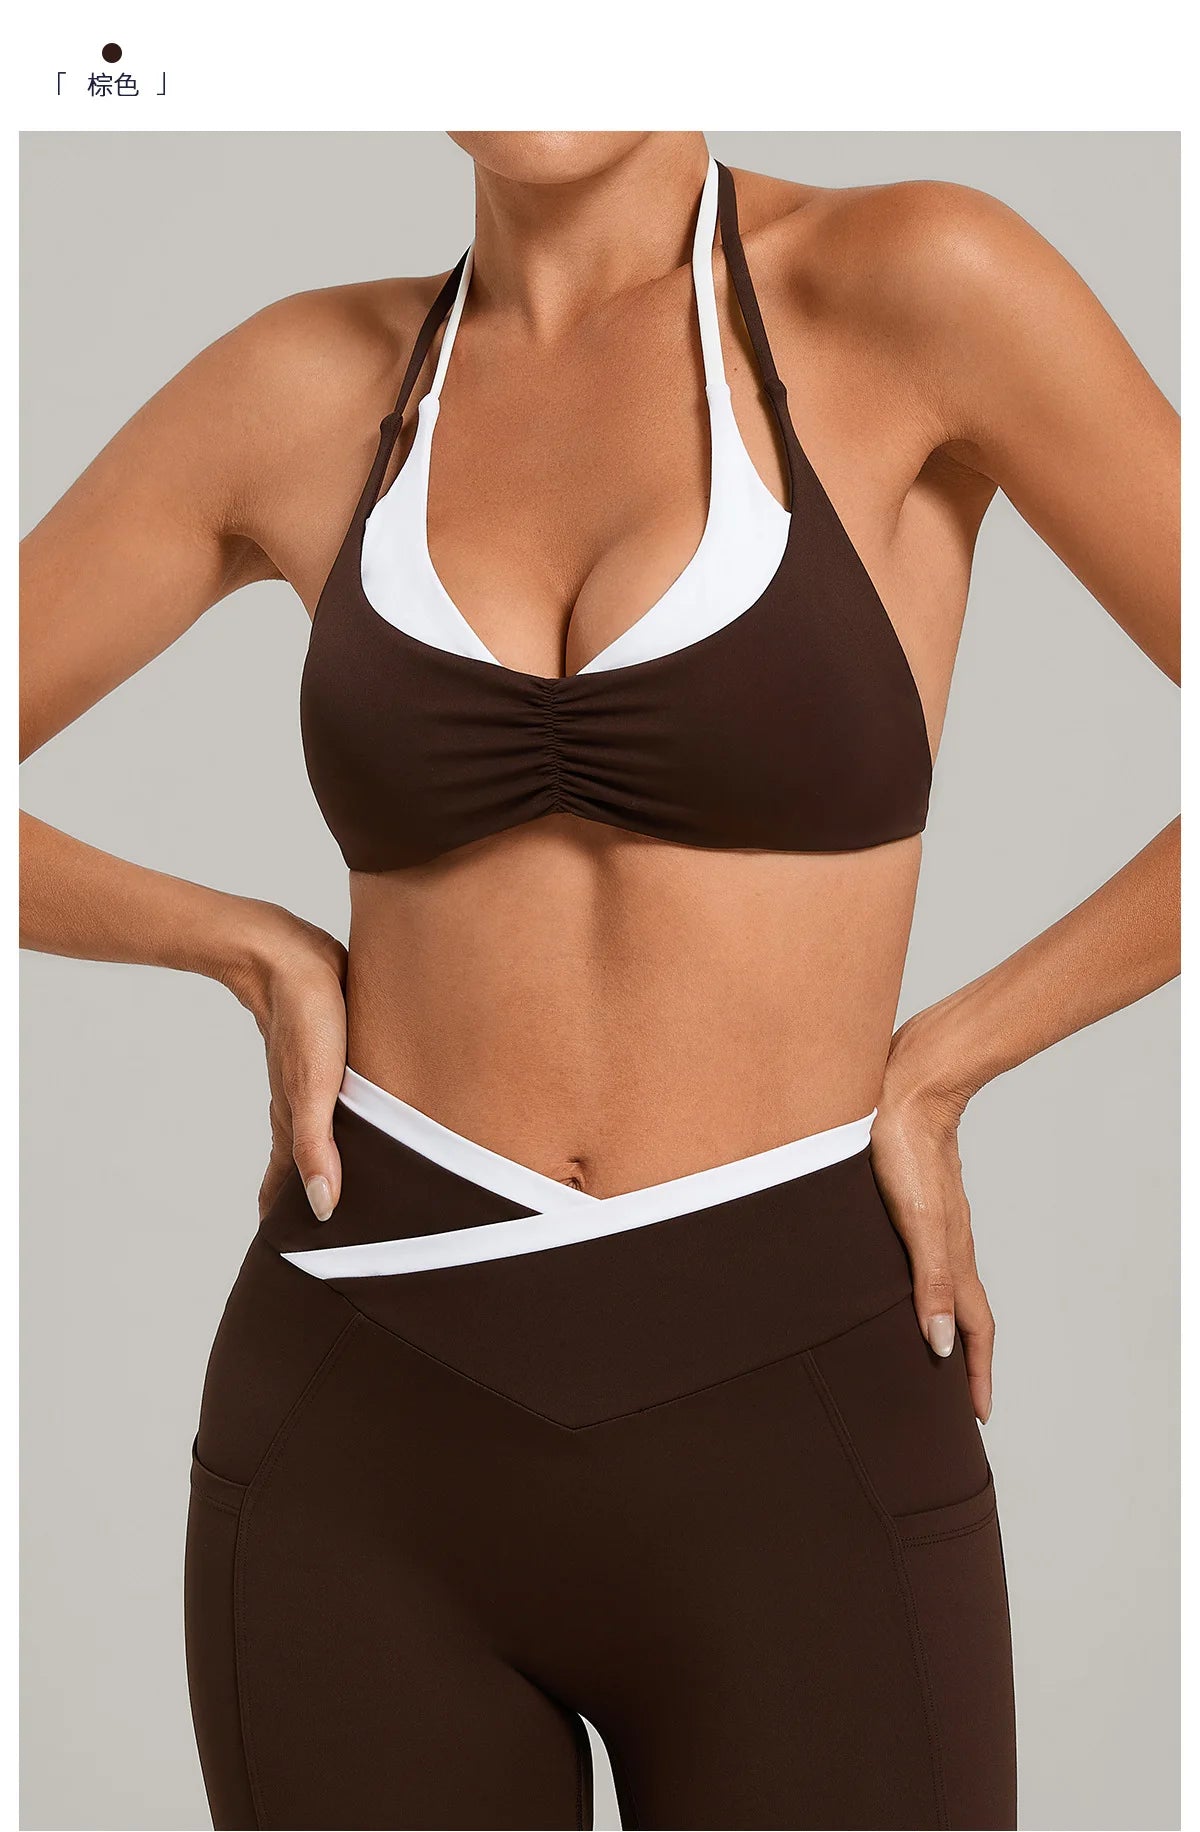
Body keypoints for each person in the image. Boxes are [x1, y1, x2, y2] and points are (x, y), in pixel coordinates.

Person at [20, 131, 1179, 1831]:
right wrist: (235, 943)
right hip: (361, 1426)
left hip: (802, 1409)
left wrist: (947, 1060)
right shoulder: (305, 382)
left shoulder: (919, 286)